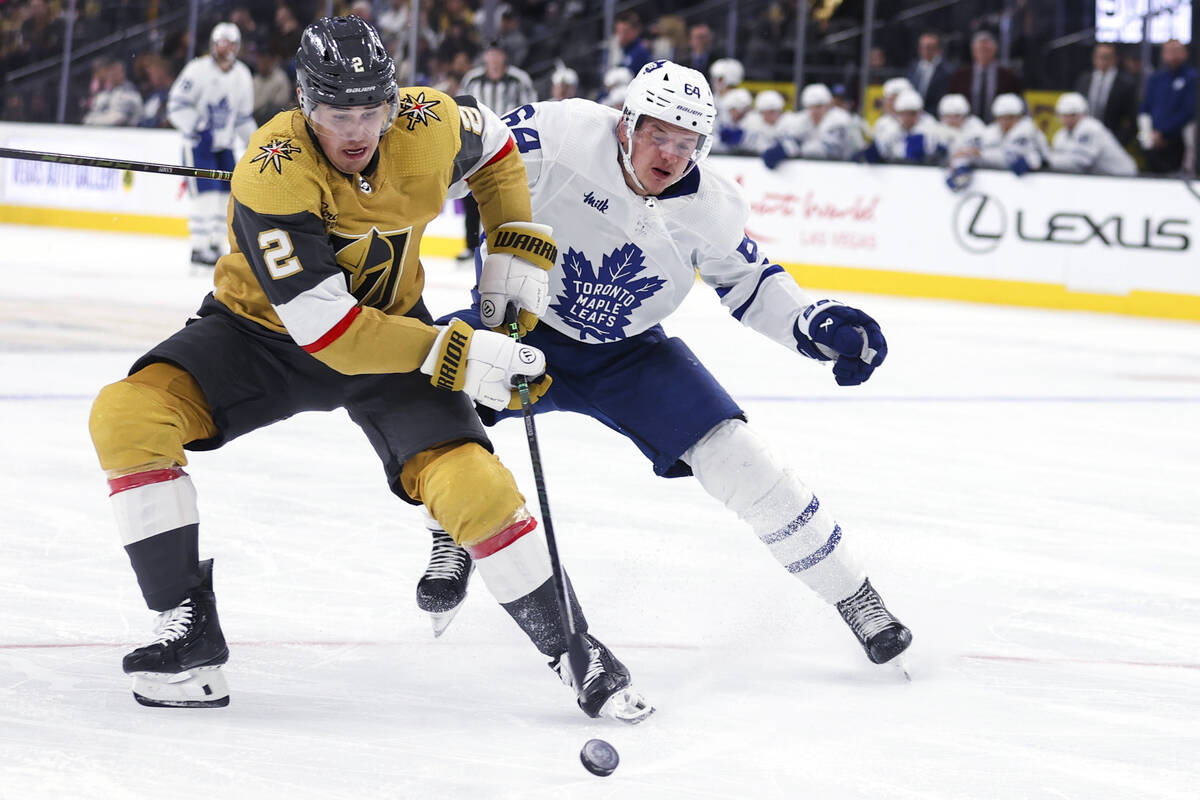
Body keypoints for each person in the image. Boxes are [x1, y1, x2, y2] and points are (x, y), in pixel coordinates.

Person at [88, 15, 651, 725]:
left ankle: (575, 649)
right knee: (127, 415)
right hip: (259, 338)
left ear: (392, 103)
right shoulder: (272, 168)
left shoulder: (427, 119)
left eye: (369, 112)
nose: (355, 131)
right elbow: (327, 330)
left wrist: (513, 241)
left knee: (476, 488)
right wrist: (459, 350)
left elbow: (497, 149)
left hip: (393, 342)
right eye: (334, 113)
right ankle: (188, 634)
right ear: (303, 103)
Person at [414, 59, 913, 673]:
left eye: (687, 143)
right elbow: (469, 165)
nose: (671, 154)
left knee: (742, 458)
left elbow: (750, 282)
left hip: (630, 353)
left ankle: (857, 598)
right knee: (423, 393)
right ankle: (452, 535)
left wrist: (812, 323)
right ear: (626, 124)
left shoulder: (711, 206)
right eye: (658, 134)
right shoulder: (563, 132)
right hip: (520, 323)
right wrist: (448, 135)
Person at [167, 22, 256, 269]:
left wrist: (257, 143)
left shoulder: (242, 75)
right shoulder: (196, 70)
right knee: (204, 194)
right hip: (198, 144)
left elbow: (242, 118)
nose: (224, 47)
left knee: (225, 194)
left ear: (237, 47)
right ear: (213, 44)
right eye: (220, 42)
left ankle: (216, 243)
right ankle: (199, 247)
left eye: (229, 43)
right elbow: (176, 105)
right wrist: (196, 126)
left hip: (224, 144)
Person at [456, 42, 538, 264]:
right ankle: (471, 244)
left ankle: (504, 244)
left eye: (497, 53)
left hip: (508, 146)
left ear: (503, 56)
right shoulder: (472, 80)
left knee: (506, 196)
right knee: (471, 196)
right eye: (489, 53)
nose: (493, 58)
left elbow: (530, 109)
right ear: (485, 56)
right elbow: (461, 110)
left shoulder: (519, 80)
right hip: (476, 146)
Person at [946, 93, 1047, 191]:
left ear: (1019, 117)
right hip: (1002, 187)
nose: (1005, 122)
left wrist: (979, 153)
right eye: (1001, 118)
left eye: (1010, 117)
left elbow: (1020, 162)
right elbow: (979, 152)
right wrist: (965, 160)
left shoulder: (1027, 130)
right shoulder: (991, 131)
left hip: (1033, 186)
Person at [1137, 39, 1197, 175]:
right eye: (1169, 51)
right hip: (1153, 140)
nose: (1173, 55)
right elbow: (1145, 108)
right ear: (1163, 54)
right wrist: (1149, 134)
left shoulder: (1192, 78)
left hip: (1177, 141)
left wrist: (1164, 133)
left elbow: (1189, 111)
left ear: (1185, 53)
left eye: (1177, 51)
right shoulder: (1156, 78)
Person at [1046, 92, 1137, 177]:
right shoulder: (1061, 135)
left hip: (1123, 177)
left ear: (1082, 114)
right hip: (1101, 178)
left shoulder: (1090, 128)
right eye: (1064, 115)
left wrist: (1048, 161)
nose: (1067, 119)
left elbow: (1081, 162)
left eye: (1072, 115)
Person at [1073, 42, 1139, 149]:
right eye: (1098, 56)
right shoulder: (1084, 80)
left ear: (1115, 59)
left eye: (1106, 57)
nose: (1102, 60)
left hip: (1110, 142)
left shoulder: (1126, 84)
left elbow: (1133, 121)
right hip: (1084, 140)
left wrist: (1118, 143)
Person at [946, 31, 1021, 123]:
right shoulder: (960, 76)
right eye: (980, 49)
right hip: (966, 127)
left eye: (987, 50)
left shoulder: (1008, 76)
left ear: (994, 50)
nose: (983, 53)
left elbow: (1016, 103)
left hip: (998, 127)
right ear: (973, 52)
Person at [82, 58, 143, 126]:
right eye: (112, 71)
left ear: (123, 73)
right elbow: (92, 114)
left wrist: (92, 121)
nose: (114, 74)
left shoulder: (129, 92)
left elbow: (118, 119)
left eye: (118, 71)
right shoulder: (105, 93)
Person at [906, 31, 952, 115]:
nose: (925, 51)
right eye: (922, 47)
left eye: (929, 47)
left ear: (938, 49)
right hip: (913, 116)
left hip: (934, 116)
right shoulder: (913, 67)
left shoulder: (947, 70)